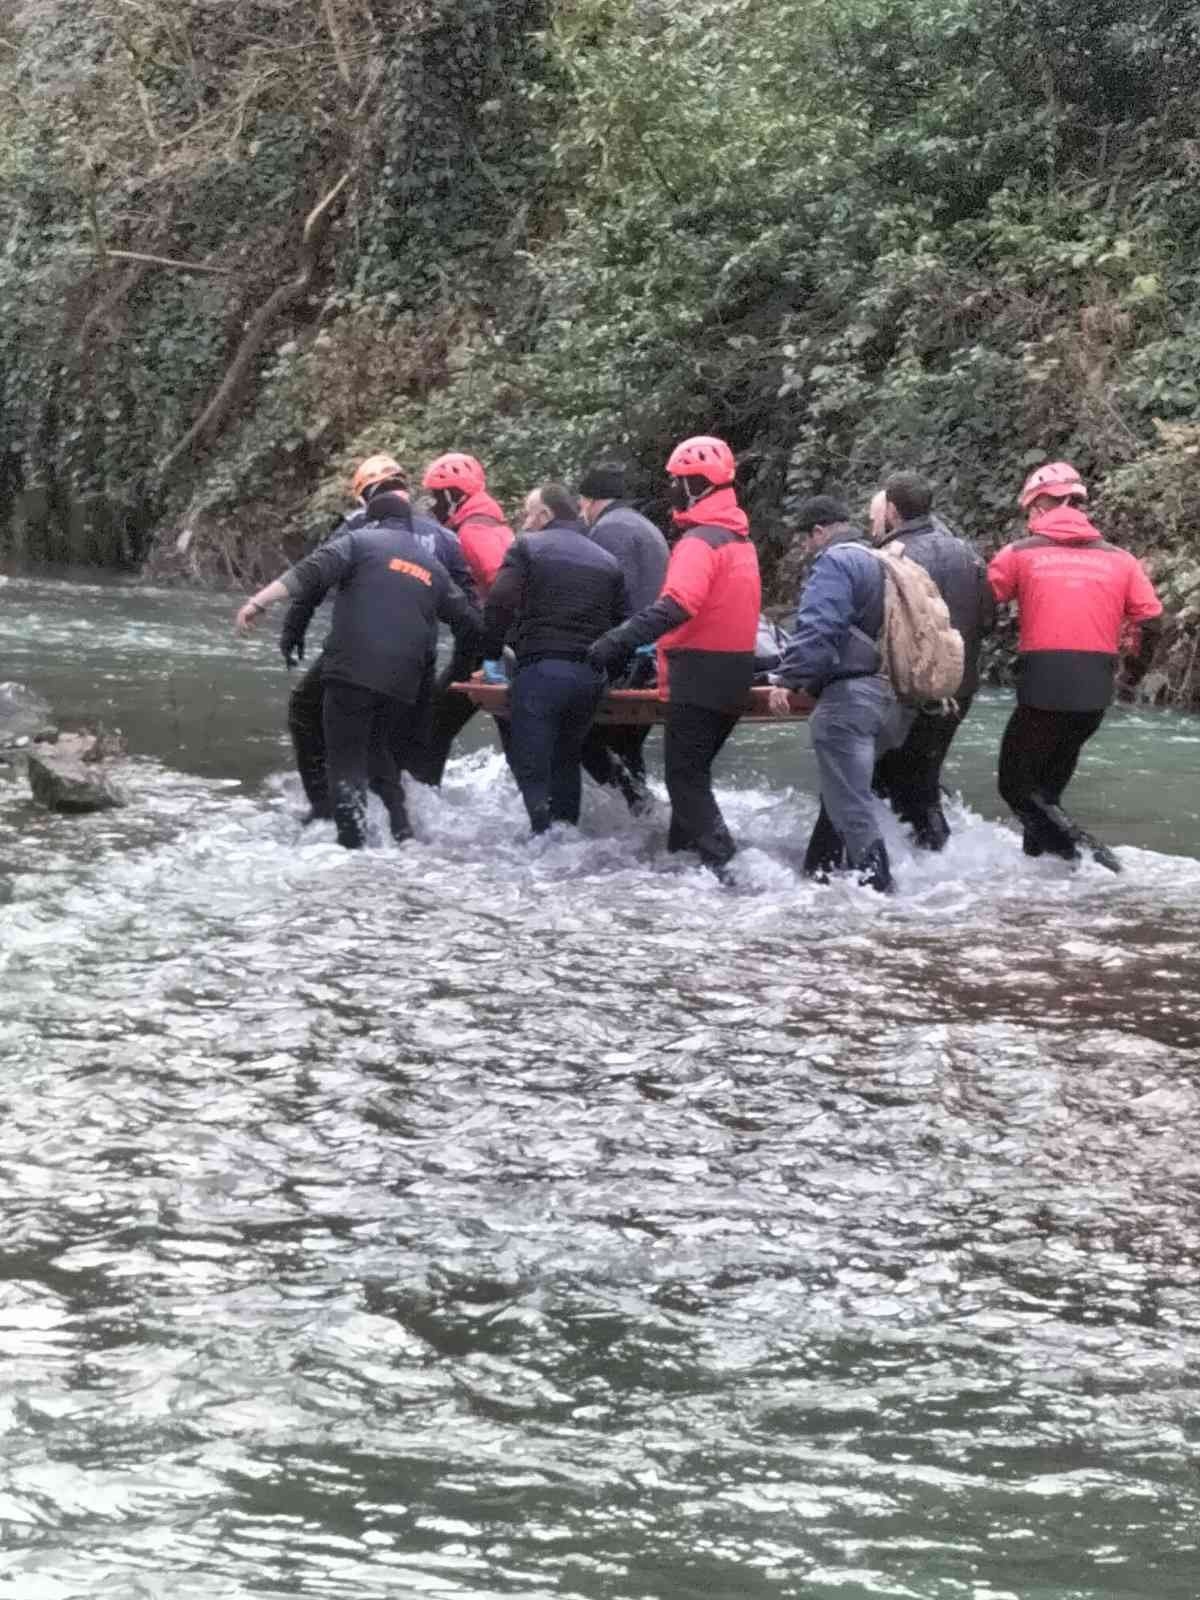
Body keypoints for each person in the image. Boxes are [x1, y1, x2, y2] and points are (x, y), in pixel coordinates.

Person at [236, 494, 481, 850]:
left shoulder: (358, 541)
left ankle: (352, 848)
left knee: (345, 759)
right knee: (378, 749)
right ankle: (403, 834)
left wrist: (257, 602)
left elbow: (306, 574)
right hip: (405, 681)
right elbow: (470, 622)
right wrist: (473, 669)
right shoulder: (431, 564)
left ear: (373, 520)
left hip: (352, 671)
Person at [587, 435, 761, 878]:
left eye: (675, 482)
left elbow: (677, 604)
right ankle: (680, 867)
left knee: (685, 782)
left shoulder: (699, 543)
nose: (670, 490)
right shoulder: (739, 541)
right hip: (736, 671)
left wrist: (617, 641)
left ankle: (730, 874)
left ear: (693, 486)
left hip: (698, 674)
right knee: (692, 773)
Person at [988, 460, 1163, 870]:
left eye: (1031, 510)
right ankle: (1047, 884)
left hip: (1043, 686)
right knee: (1046, 795)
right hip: (1095, 693)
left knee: (1015, 787)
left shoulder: (1018, 554)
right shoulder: (1122, 560)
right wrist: (1131, 676)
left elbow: (982, 604)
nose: (1030, 520)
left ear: (1044, 507)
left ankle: (1098, 864)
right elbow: (1151, 621)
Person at [280, 455, 475, 821]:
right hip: (419, 657)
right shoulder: (445, 537)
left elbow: (315, 579)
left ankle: (326, 810)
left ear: (367, 495)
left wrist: (294, 631)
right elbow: (467, 604)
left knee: (306, 712)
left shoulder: (359, 526)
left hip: (360, 650)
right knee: (395, 744)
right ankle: (405, 826)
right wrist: (467, 664)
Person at [767, 496, 911, 893]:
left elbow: (818, 630)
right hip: (892, 696)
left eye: (806, 540)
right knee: (843, 794)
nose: (806, 549)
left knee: (850, 804)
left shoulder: (836, 562)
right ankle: (819, 877)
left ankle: (882, 892)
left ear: (818, 531)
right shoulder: (883, 560)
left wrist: (786, 679)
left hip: (850, 699)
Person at [480, 483, 631, 834]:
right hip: (589, 678)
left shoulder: (527, 548)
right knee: (566, 761)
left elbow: (499, 604)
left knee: (534, 767)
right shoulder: (606, 559)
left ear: (545, 515)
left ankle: (543, 848)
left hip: (541, 672)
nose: (525, 522)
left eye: (528, 514)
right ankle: (568, 842)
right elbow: (625, 622)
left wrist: (490, 656)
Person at [868, 472, 995, 850]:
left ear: (891, 510)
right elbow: (988, 618)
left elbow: (876, 626)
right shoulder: (969, 553)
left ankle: (921, 874)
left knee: (902, 787)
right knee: (919, 781)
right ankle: (937, 865)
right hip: (961, 687)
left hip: (911, 689)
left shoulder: (890, 558)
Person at [408, 451, 515, 786]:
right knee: (512, 733)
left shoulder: (472, 532)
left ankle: (419, 809)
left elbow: (501, 584)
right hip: (501, 644)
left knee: (432, 727)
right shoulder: (495, 524)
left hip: (485, 644)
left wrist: (492, 639)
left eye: (437, 497)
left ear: (455, 495)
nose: (433, 505)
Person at [576, 462, 670, 813]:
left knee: (583, 739)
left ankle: (636, 810)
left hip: (628, 655)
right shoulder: (644, 526)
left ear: (590, 501)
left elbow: (607, 595)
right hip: (653, 652)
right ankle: (641, 817)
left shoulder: (608, 530)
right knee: (627, 745)